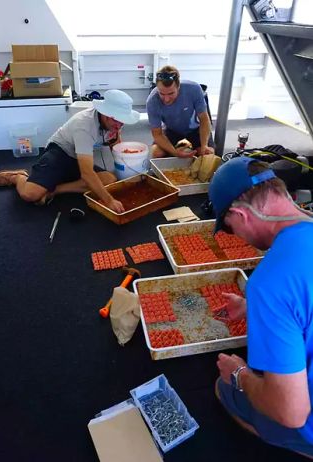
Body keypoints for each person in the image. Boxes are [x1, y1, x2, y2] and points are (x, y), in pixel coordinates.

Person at [209, 156, 313, 458]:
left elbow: (290, 412)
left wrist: (240, 373)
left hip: (303, 419)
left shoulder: (270, 282)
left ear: (240, 214)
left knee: (223, 386)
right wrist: (252, 305)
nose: (236, 238)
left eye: (230, 229)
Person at [0, 89, 140, 213]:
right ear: (105, 113)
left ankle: (54, 190)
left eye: (123, 120)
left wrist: (129, 168)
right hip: (60, 152)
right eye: (116, 119)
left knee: (110, 179)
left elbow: (117, 147)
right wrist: (109, 201)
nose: (120, 124)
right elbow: (87, 174)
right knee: (30, 195)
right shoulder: (84, 125)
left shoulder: (116, 123)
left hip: (80, 157)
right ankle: (18, 176)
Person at [147, 65, 215, 158]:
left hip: (196, 129)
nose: (166, 99)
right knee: (157, 153)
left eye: (171, 93)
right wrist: (175, 153)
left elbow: (204, 119)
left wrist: (204, 146)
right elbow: (157, 134)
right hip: (172, 130)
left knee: (208, 154)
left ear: (178, 87)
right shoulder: (152, 101)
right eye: (162, 93)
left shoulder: (194, 89)